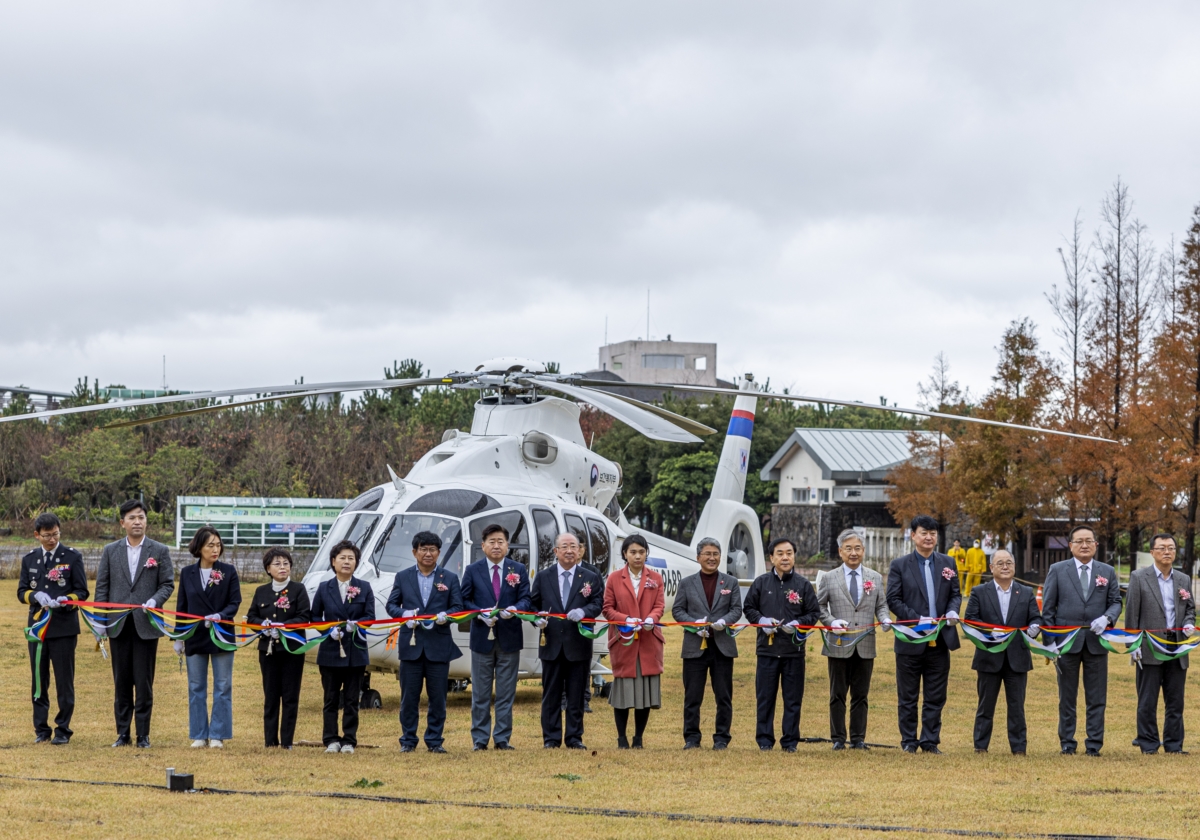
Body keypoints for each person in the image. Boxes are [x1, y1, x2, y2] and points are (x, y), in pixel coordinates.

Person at [94, 499, 175, 748]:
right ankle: (122, 733)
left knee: (144, 683)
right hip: (117, 625)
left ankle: (143, 734)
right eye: (132, 518)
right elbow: (102, 588)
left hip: (146, 625)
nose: (137, 521)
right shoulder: (110, 550)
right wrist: (100, 622)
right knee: (121, 682)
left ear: (146, 521)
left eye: (141, 517)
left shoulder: (159, 551)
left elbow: (167, 584)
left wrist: (154, 600)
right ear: (122, 523)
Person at [1040, 524, 1122, 756]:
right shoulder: (1057, 570)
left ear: (1096, 545)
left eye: (1089, 541)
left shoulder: (1106, 571)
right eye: (1079, 541)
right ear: (1070, 545)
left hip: (1097, 643)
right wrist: (1051, 643)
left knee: (1097, 697)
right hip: (1066, 643)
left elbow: (1116, 601)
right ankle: (1067, 741)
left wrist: (1107, 618)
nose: (1084, 545)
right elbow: (1048, 609)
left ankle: (1094, 743)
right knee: (1067, 697)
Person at [886, 514, 961, 754]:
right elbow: (893, 600)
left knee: (936, 695)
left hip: (940, 640)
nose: (929, 537)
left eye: (933, 533)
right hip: (910, 638)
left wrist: (952, 611)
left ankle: (930, 740)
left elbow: (956, 594)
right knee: (907, 696)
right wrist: (918, 619)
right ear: (913, 535)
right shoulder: (900, 565)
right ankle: (909, 740)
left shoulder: (948, 562)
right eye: (924, 533)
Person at [386, 531, 463, 753]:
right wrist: (405, 614)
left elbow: (458, 607)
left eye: (432, 549)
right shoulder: (403, 577)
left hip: (439, 646)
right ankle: (408, 741)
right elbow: (392, 606)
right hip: (411, 646)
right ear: (414, 552)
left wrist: (446, 615)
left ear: (439, 553)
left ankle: (435, 741)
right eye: (423, 549)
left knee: (438, 698)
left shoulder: (449, 578)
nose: (427, 553)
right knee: (409, 698)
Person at [17, 512, 88, 745]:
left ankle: (63, 729)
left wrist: (67, 600)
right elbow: (21, 592)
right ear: (37, 535)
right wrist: (34, 595)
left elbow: (82, 592)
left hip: (64, 628)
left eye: (55, 534)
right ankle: (41, 729)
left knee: (64, 680)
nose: (52, 539)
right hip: (38, 629)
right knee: (39, 679)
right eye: (47, 535)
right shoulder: (29, 559)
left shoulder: (72, 556)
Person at [743, 537, 819, 752]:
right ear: (771, 557)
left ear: (794, 556)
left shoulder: (803, 584)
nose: (785, 557)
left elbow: (814, 613)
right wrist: (761, 621)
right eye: (780, 553)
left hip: (793, 651)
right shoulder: (761, 583)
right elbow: (748, 608)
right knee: (765, 698)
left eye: (789, 553)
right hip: (767, 650)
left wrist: (799, 623)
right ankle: (765, 741)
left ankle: (790, 741)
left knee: (793, 699)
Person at [817, 529, 891, 751]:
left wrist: (885, 618)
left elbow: (881, 605)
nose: (853, 553)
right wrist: (831, 622)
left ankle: (858, 738)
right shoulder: (829, 578)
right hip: (838, 644)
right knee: (837, 694)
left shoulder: (875, 577)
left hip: (866, 645)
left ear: (864, 551)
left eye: (857, 548)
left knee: (861, 695)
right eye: (848, 548)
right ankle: (838, 738)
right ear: (840, 552)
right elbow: (818, 606)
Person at [530, 532, 604, 749]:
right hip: (551, 643)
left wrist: (584, 611)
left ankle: (574, 738)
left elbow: (598, 603)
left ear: (580, 550)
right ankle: (551, 739)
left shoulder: (590, 576)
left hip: (578, 644)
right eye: (565, 546)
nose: (570, 550)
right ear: (556, 551)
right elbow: (533, 605)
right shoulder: (544, 577)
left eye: (574, 546)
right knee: (551, 693)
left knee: (576, 694)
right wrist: (538, 620)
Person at [964, 550, 1042, 755]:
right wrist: (990, 630)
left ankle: (1018, 747)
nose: (1005, 566)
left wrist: (1035, 627)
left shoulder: (1025, 592)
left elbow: (1035, 617)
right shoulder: (980, 591)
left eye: (1009, 562)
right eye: (1000, 563)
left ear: (1014, 566)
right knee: (985, 705)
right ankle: (980, 746)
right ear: (991, 568)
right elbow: (971, 619)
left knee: (1017, 706)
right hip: (988, 656)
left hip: (1017, 657)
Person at [461, 523, 531, 750]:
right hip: (482, 637)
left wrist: (515, 609)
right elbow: (464, 601)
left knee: (505, 693)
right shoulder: (473, 570)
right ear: (483, 546)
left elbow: (526, 600)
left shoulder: (518, 569)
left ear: (508, 545)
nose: (496, 546)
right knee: (480, 694)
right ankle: (480, 740)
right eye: (491, 542)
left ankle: (502, 739)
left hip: (509, 638)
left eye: (501, 541)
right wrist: (479, 614)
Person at [1125, 533, 1196, 754]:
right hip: (1149, 647)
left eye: (1171, 548)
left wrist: (1188, 623)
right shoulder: (1139, 577)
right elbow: (1131, 614)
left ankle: (1174, 745)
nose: (1167, 552)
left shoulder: (1183, 579)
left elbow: (1190, 608)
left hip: (1177, 648)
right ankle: (1148, 744)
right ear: (1152, 552)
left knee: (1175, 701)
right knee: (1147, 700)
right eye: (1162, 548)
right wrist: (1133, 645)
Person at [672, 537, 743, 750]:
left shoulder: (730, 582)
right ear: (698, 557)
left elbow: (736, 609)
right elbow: (677, 611)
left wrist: (725, 621)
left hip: (722, 646)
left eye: (716, 554)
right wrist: (694, 623)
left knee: (724, 696)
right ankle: (692, 738)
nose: (712, 558)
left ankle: (722, 738)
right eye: (708, 554)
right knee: (692, 696)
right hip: (695, 646)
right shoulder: (687, 583)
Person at [174, 526, 242, 748]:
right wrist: (178, 636)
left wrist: (219, 615)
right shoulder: (187, 573)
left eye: (218, 544)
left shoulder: (228, 571)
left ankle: (217, 735)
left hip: (221, 634)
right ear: (199, 548)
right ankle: (199, 734)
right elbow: (181, 607)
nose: (215, 549)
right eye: (210, 545)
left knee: (223, 686)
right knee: (196, 687)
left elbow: (234, 603)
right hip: (195, 636)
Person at [310, 539, 376, 754]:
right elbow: (314, 617)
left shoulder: (364, 587)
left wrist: (355, 627)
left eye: (351, 558)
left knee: (351, 699)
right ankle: (330, 739)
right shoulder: (324, 587)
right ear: (333, 561)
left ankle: (349, 740)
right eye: (342, 558)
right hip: (330, 650)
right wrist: (327, 630)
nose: (347, 562)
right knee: (330, 698)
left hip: (355, 650)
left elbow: (370, 617)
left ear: (356, 563)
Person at [601, 534, 665, 749]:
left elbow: (659, 606)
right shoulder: (614, 578)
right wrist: (626, 620)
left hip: (648, 641)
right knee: (623, 692)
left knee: (645, 692)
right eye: (633, 552)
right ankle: (621, 738)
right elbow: (607, 608)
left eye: (641, 551)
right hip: (624, 640)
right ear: (625, 554)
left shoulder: (655, 578)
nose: (637, 556)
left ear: (647, 553)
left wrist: (651, 619)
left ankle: (638, 738)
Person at [246, 547, 311, 748]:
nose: (282, 567)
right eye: (277, 564)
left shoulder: (298, 589)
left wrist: (285, 626)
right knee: (271, 695)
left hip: (292, 650)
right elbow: (251, 617)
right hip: (268, 650)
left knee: (290, 696)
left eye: (286, 563)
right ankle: (270, 741)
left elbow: (304, 616)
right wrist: (262, 626)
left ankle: (287, 741)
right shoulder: (261, 591)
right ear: (268, 569)